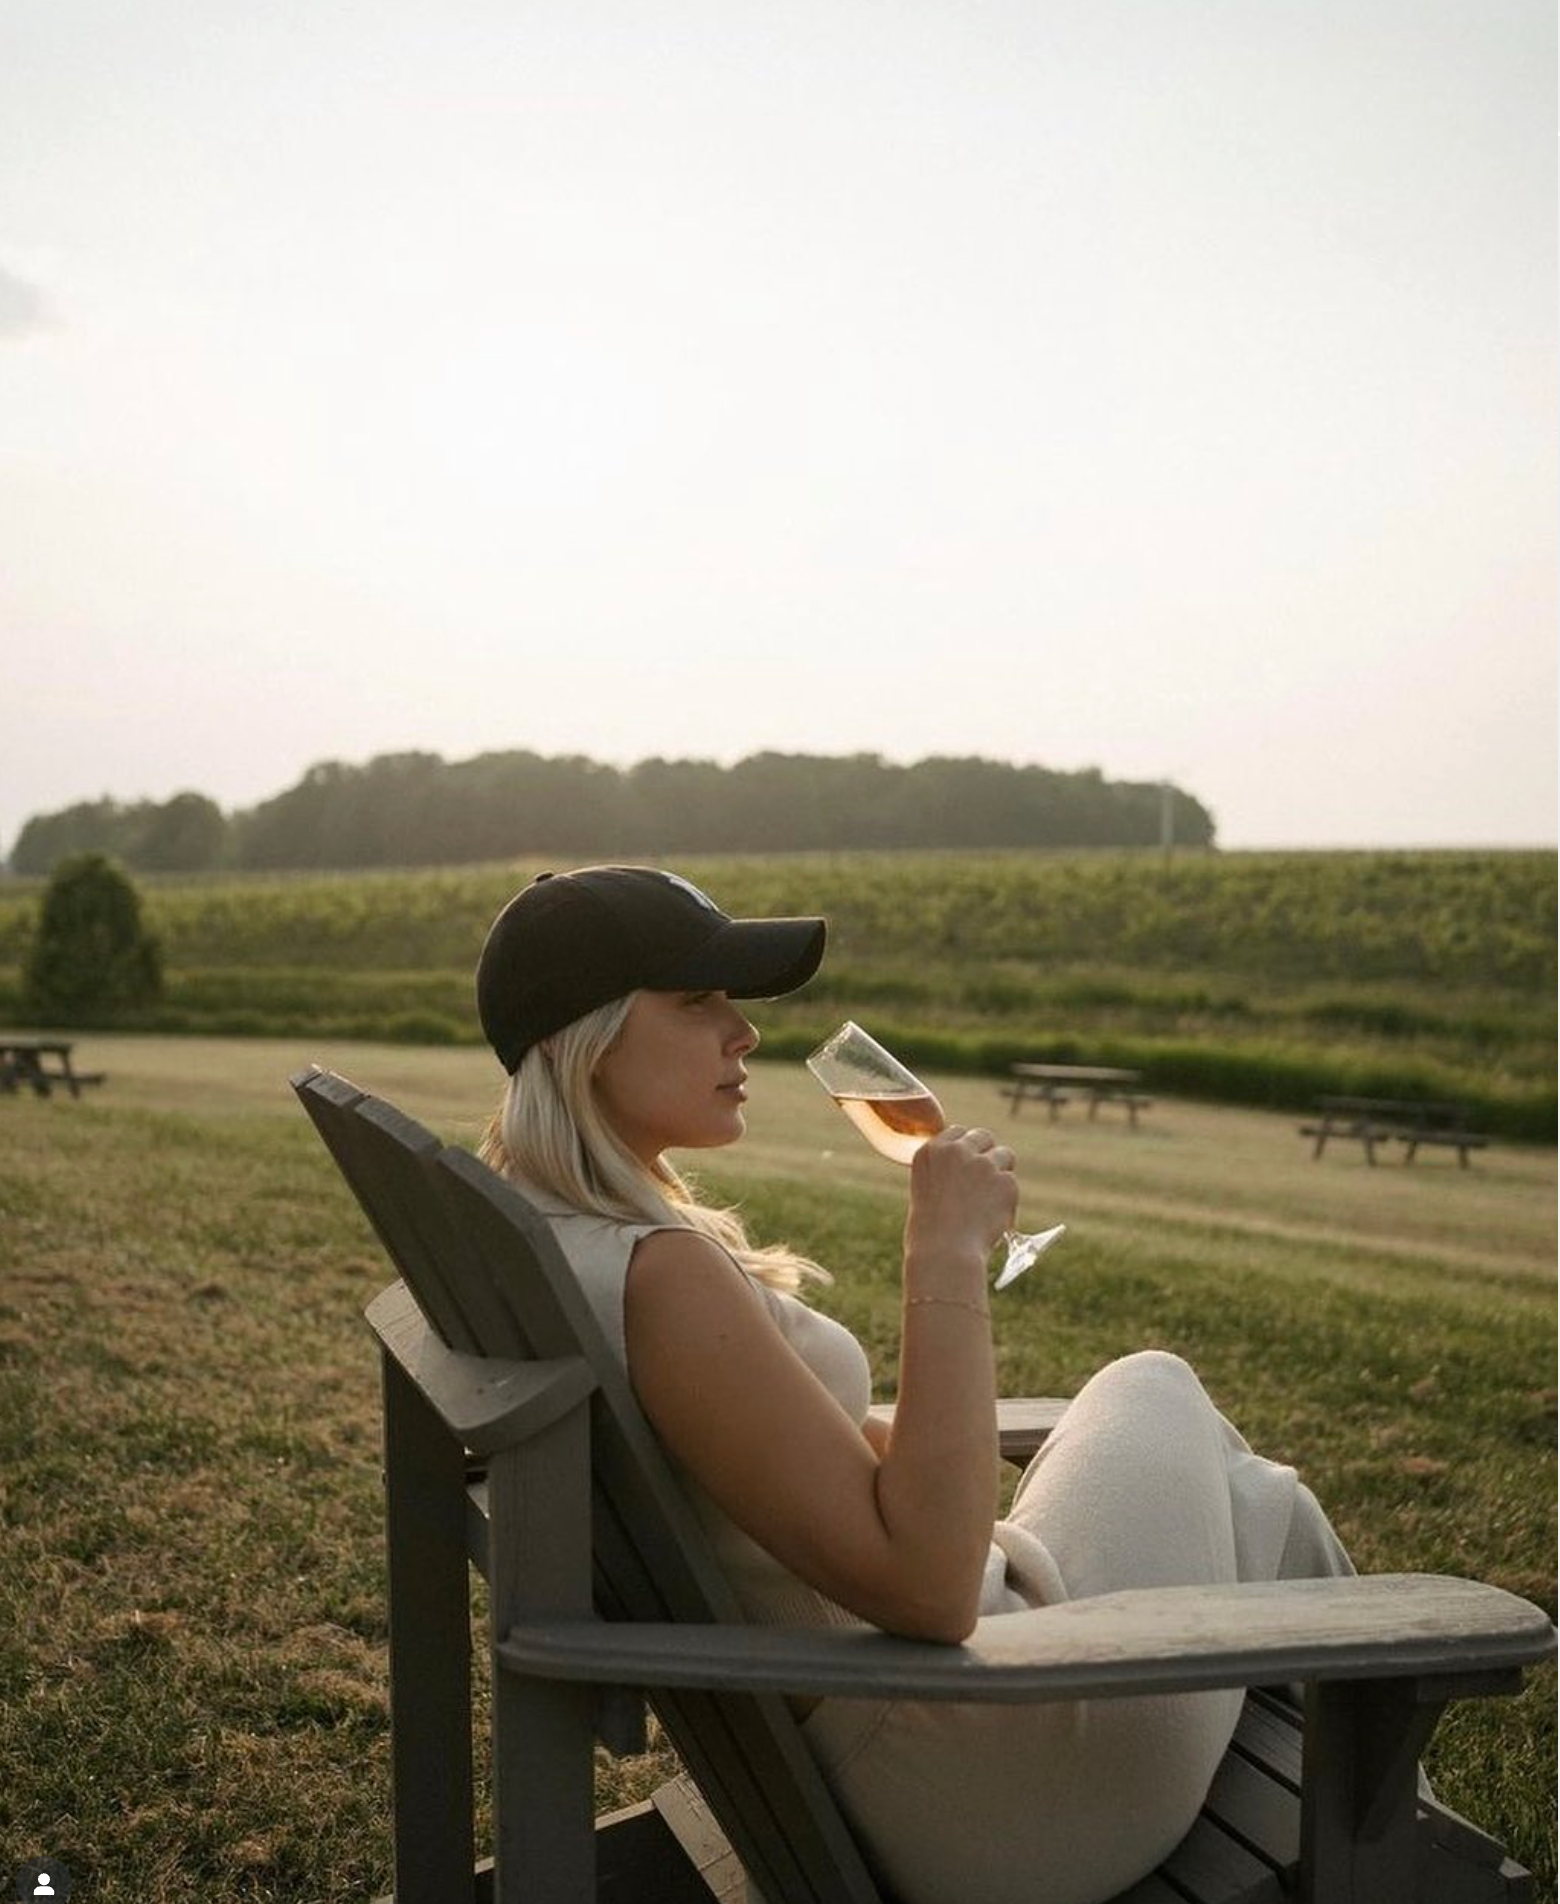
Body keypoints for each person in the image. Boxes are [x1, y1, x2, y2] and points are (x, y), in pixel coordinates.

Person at [474, 864, 1356, 1904]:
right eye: (699, 1001)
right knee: (1159, 1387)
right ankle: (1394, 1834)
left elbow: (778, 1462)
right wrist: (943, 1247)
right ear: (587, 1036)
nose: (745, 1032)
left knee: (1263, 1498)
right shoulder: (662, 1277)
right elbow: (933, 1588)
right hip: (995, 1782)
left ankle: (1390, 1820)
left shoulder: (550, 1236)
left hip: (908, 1735)